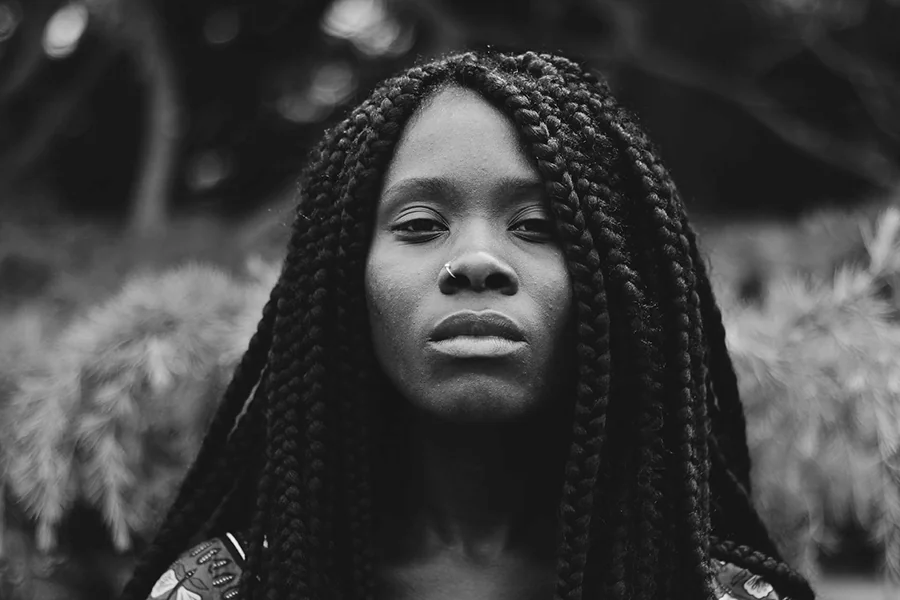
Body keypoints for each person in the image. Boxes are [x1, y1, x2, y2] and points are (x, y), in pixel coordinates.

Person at [119, 49, 816, 600]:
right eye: (421, 225)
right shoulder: (223, 591)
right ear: (339, 284)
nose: (477, 261)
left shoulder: (716, 593)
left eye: (540, 225)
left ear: (623, 286)